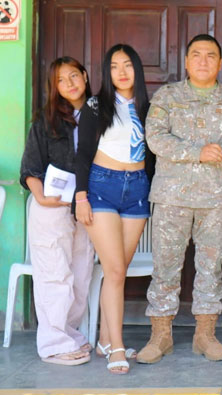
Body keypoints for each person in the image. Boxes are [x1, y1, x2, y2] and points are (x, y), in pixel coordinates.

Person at [137, 34, 222, 364]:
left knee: (210, 270)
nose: (203, 61)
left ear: (220, 62)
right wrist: (196, 152)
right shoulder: (168, 97)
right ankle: (160, 337)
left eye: (210, 56)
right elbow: (156, 138)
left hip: (218, 202)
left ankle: (205, 336)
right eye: (196, 55)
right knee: (165, 270)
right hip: (172, 199)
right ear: (187, 61)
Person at [75, 44, 151, 374]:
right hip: (101, 186)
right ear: (107, 73)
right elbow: (82, 154)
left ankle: (106, 339)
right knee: (116, 270)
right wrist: (80, 197)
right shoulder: (96, 106)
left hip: (137, 190)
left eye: (128, 65)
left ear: (138, 69)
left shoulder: (149, 107)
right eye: (114, 66)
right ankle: (117, 348)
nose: (121, 72)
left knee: (116, 270)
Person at [20, 56, 94, 366]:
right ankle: (52, 344)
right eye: (62, 80)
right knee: (54, 274)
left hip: (86, 207)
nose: (69, 84)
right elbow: (30, 168)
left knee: (80, 274)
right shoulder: (46, 120)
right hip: (52, 209)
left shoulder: (97, 115)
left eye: (74, 76)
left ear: (85, 76)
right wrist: (42, 198)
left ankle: (69, 334)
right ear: (55, 87)